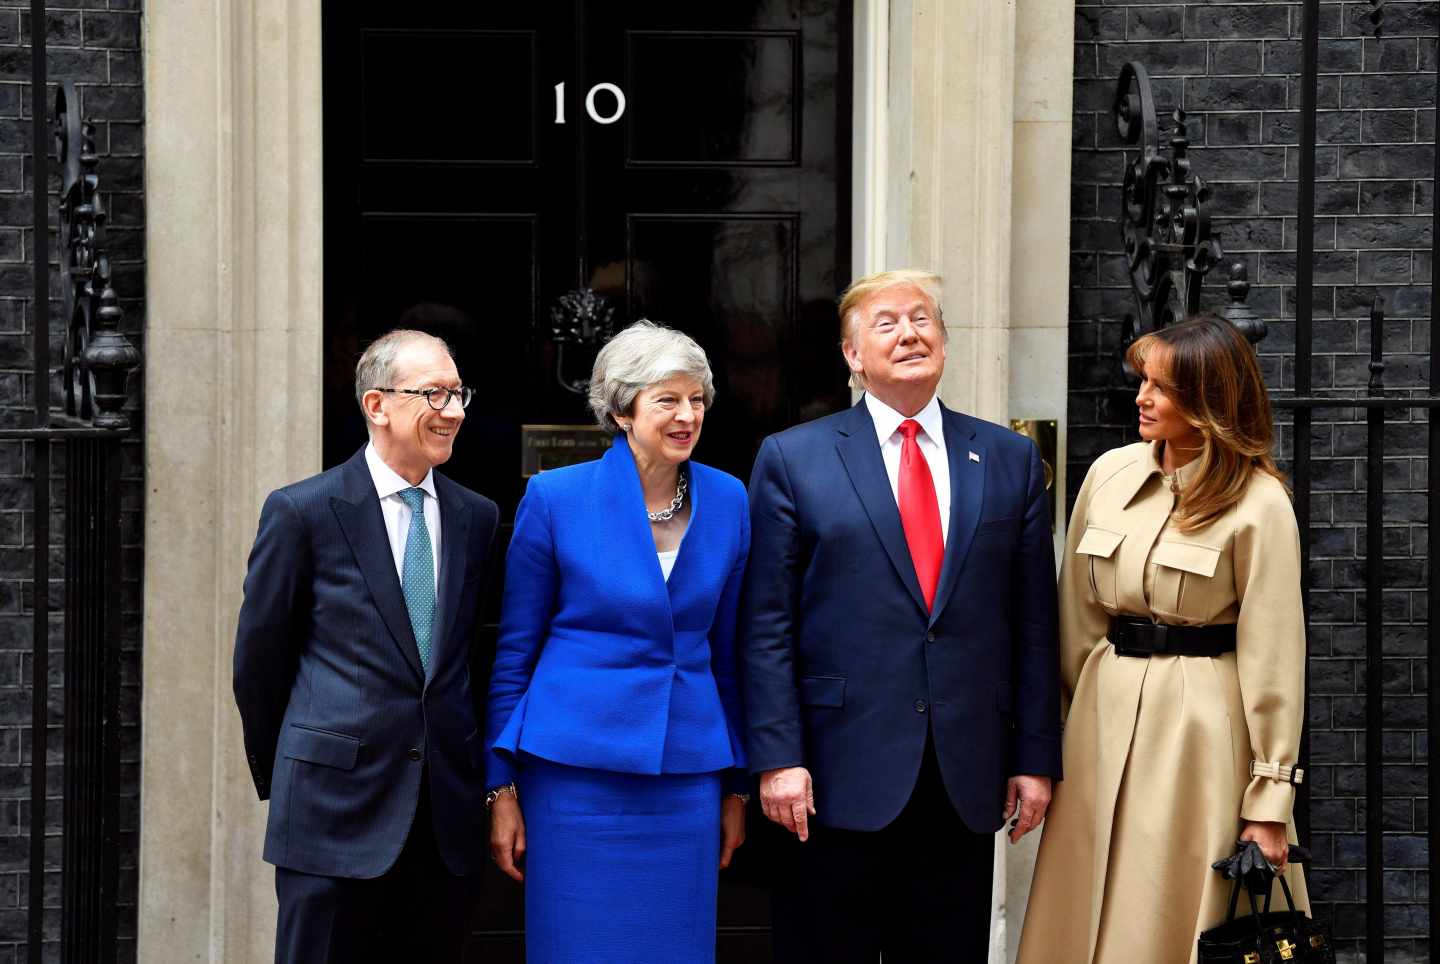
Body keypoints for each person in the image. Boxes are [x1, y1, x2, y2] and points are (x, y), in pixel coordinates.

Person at [742, 269, 1062, 962]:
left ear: (945, 341)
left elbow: (1035, 623)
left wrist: (1035, 757)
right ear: (852, 356)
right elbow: (766, 623)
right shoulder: (794, 459)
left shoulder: (1007, 460)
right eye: (885, 323)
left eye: (921, 319)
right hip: (829, 776)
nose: (909, 333)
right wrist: (777, 758)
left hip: (965, 773)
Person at [1017, 315, 1310, 964]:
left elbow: (1275, 660)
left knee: (1169, 903)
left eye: (1163, 388)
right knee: (1081, 896)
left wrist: (1269, 804)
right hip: (1098, 716)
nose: (1142, 398)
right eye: (1142, 381)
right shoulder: (1109, 475)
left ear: (1212, 399)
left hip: (1199, 733)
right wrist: (1052, 739)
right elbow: (1077, 619)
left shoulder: (1260, 504)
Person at [486, 321, 751, 964]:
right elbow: (515, 650)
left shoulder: (730, 498)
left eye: (696, 400)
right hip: (573, 777)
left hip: (685, 775)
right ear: (619, 410)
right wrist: (501, 789)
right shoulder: (555, 497)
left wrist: (737, 784)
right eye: (667, 400)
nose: (687, 415)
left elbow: (731, 652)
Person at [233, 329, 500, 963]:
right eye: (434, 393)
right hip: (330, 816)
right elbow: (259, 661)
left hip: (443, 822)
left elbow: (473, 658)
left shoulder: (477, 516)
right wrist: (305, 766)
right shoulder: (304, 511)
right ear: (376, 405)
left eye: (459, 393)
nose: (455, 410)